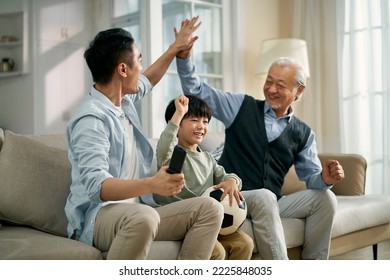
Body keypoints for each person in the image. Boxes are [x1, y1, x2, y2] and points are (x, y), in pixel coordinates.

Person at [64, 17, 225, 260]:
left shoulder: (123, 101)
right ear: (122, 69)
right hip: (98, 216)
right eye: (139, 60)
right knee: (145, 216)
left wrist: (175, 49)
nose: (141, 67)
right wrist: (151, 184)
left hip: (139, 209)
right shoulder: (91, 119)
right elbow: (97, 187)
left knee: (211, 209)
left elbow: (148, 80)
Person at [175, 48, 345, 259]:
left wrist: (324, 179)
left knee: (325, 198)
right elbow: (197, 91)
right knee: (265, 196)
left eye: (280, 85)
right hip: (233, 197)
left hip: (272, 203)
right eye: (269, 81)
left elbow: (312, 179)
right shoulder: (240, 106)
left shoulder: (304, 133)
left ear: (298, 91)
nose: (271, 89)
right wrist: (183, 58)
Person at [154, 94, 254, 260]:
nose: (201, 126)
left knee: (245, 243)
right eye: (194, 120)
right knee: (217, 252)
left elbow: (228, 176)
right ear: (178, 125)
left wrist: (231, 181)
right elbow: (165, 145)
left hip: (211, 221)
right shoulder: (173, 156)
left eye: (205, 121)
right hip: (185, 220)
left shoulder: (207, 158)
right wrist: (178, 113)